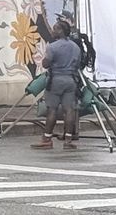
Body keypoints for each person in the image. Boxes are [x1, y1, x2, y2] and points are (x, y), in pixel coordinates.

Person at [33, 15, 82, 150]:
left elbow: (46, 63)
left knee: (52, 110)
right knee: (69, 110)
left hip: (56, 80)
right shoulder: (75, 47)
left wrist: (45, 61)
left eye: (55, 29)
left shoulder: (53, 47)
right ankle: (68, 140)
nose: (52, 31)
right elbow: (78, 64)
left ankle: (47, 139)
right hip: (71, 81)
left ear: (61, 31)